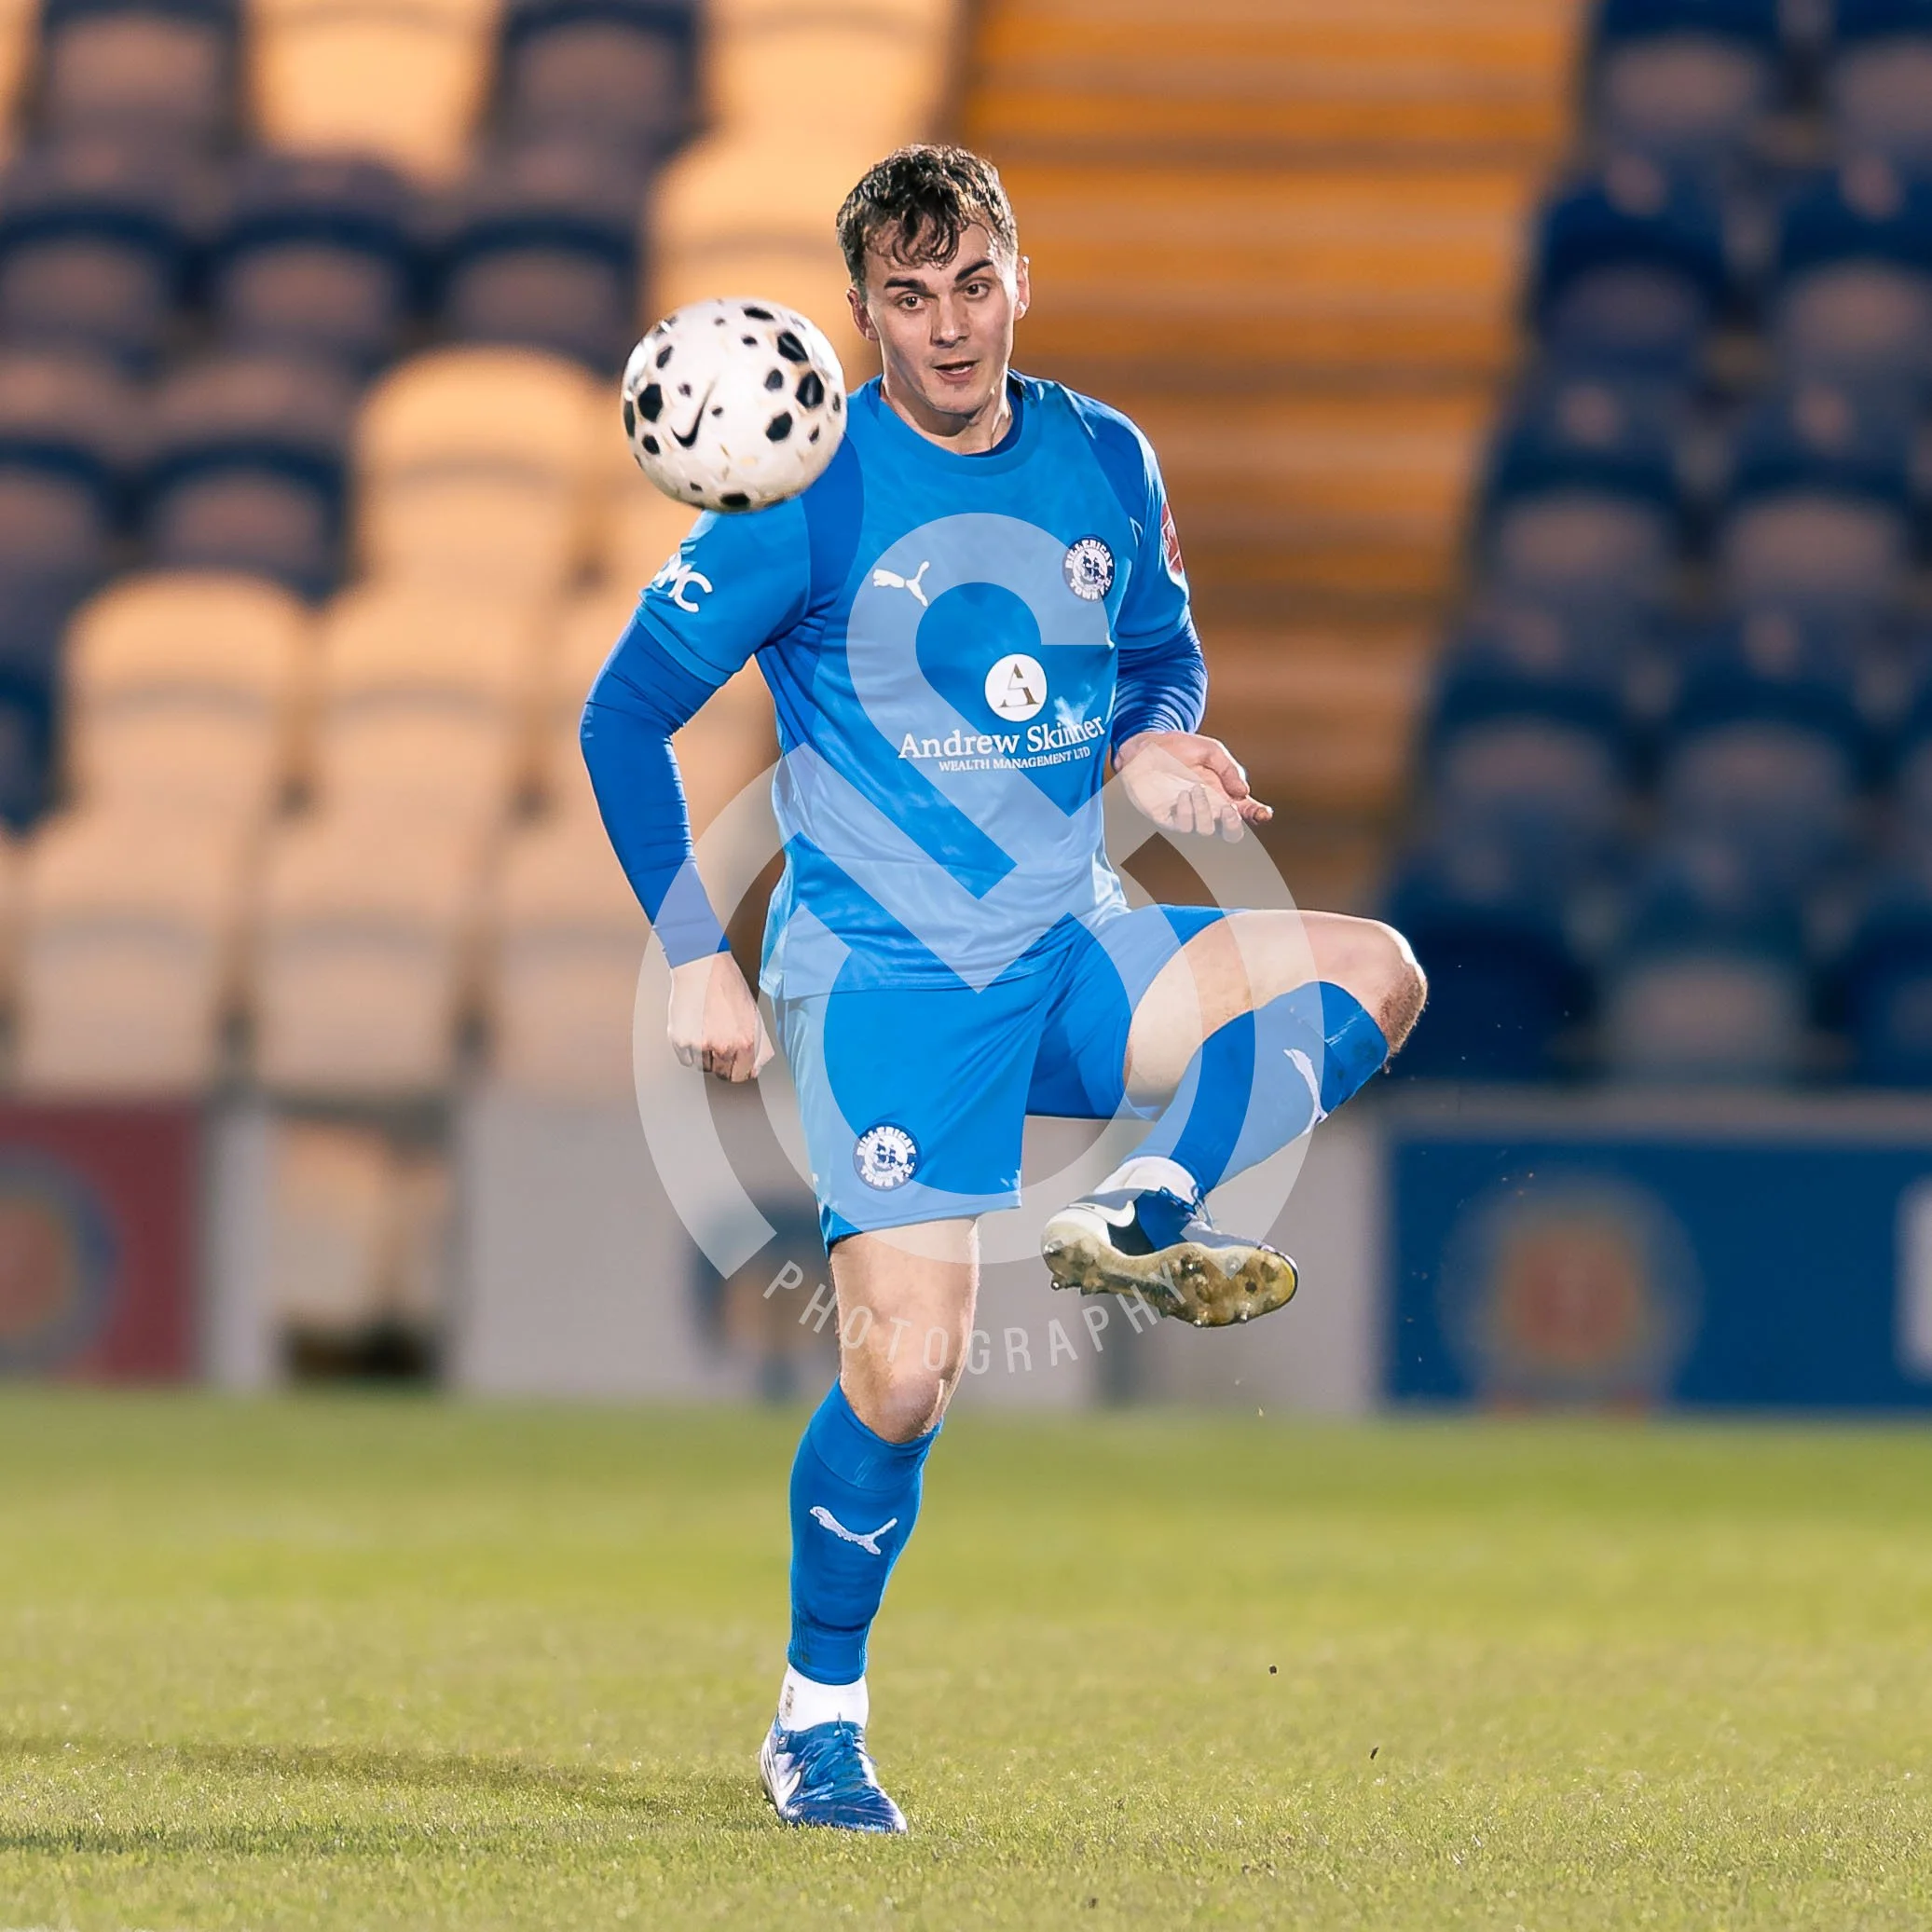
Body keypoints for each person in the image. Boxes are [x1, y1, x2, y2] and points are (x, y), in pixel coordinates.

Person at [581, 144, 1426, 1834]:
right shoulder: (803, 495)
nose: (951, 327)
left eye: (975, 284)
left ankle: (1152, 1204)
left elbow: (1158, 653)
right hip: (886, 984)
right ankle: (816, 1724)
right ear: (862, 314)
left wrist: (1156, 744)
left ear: (1021, 279)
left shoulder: (1104, 454)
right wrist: (694, 956)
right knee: (903, 1382)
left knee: (1372, 971)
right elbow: (621, 720)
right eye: (911, 298)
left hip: (1068, 942)